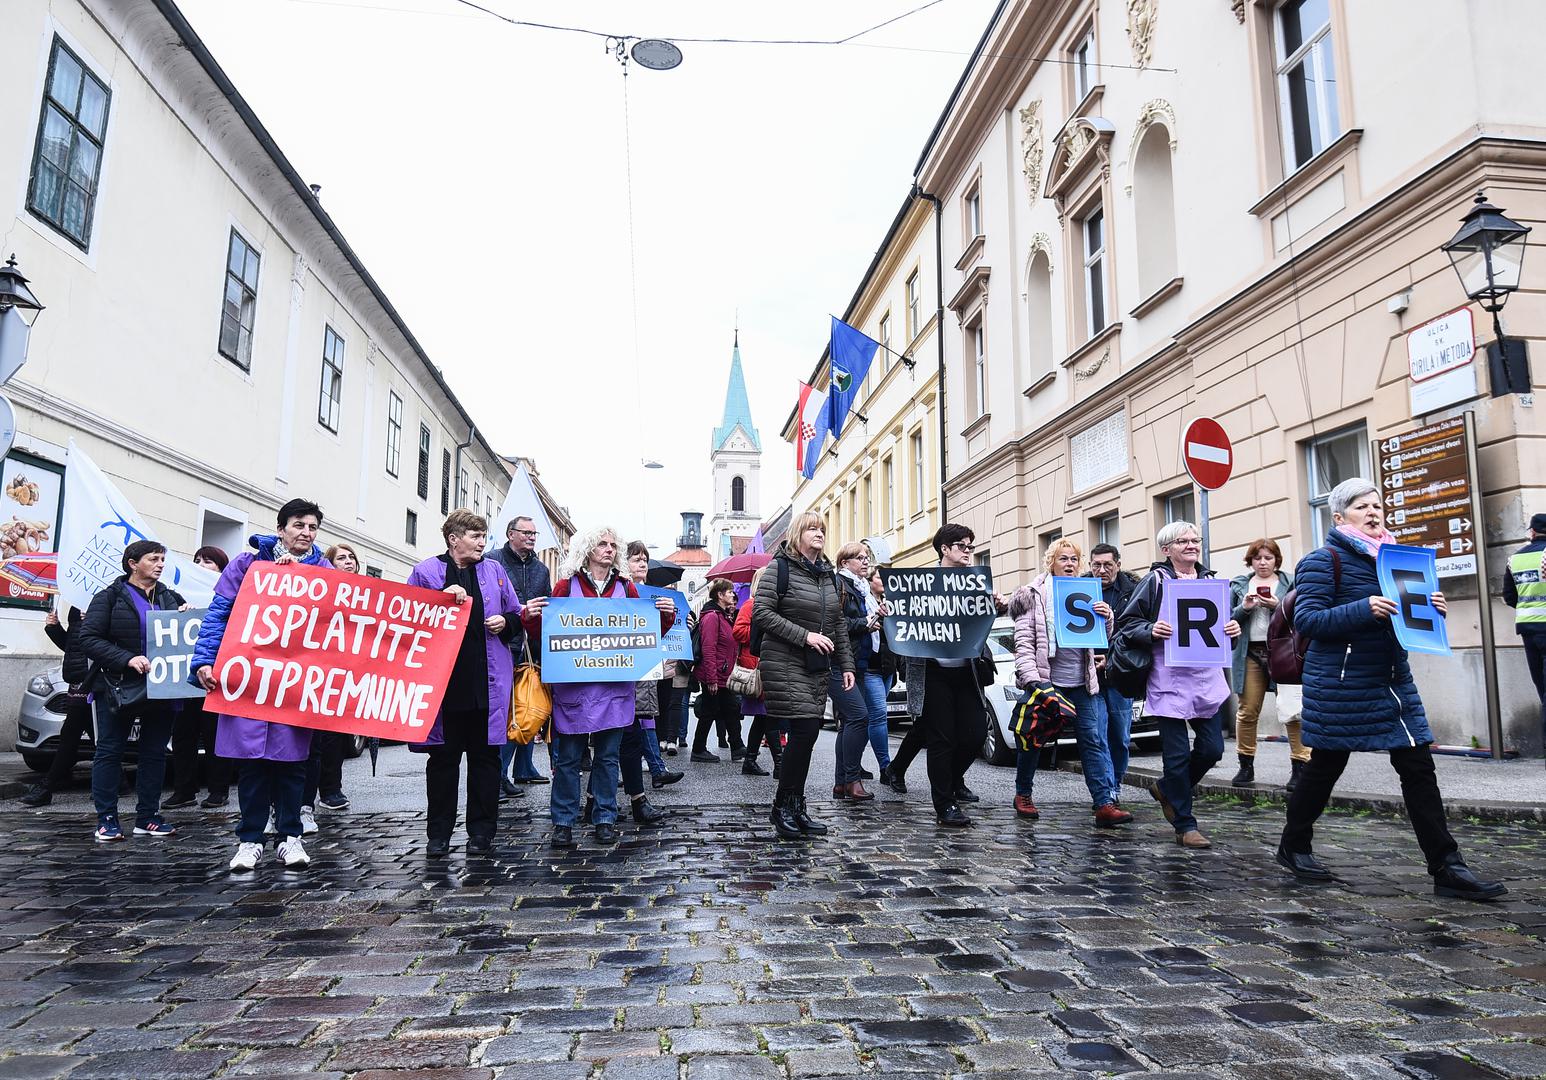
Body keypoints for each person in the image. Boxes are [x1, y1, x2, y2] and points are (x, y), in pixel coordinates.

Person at [1276, 478, 1506, 900]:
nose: (1373, 512)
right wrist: (1363, 609)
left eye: (1377, 505)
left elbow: (1407, 622)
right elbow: (1308, 621)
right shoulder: (1322, 561)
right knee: (1325, 766)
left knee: (1418, 767)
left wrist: (1431, 610)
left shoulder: (1397, 560)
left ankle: (1447, 866)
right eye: (1362, 507)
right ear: (1340, 516)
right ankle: (1294, 845)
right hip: (1342, 683)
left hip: (1393, 681)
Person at [192, 501, 331, 870]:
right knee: (251, 764)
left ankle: (290, 837)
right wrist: (204, 660)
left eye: (312, 527)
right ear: (281, 528)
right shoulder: (246, 564)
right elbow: (218, 614)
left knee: (292, 764)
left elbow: (344, 621)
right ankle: (250, 839)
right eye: (298, 525)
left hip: (296, 683)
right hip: (250, 679)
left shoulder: (325, 570)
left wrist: (301, 579)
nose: (305, 532)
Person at [521, 526, 674, 848]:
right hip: (574, 689)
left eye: (611, 545)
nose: (608, 549)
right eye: (601, 544)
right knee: (568, 760)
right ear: (587, 550)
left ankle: (604, 817)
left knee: (607, 758)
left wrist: (665, 618)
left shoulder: (626, 588)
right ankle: (562, 821)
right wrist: (531, 617)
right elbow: (544, 632)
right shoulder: (566, 586)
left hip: (614, 688)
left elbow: (645, 635)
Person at [1115, 521, 1240, 849]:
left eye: (1194, 540)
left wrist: (1232, 633)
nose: (1191, 545)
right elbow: (1128, 625)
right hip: (1169, 680)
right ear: (1166, 549)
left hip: (1207, 680)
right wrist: (1151, 629)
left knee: (1213, 748)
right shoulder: (1155, 581)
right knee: (1177, 754)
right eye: (1182, 541)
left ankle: (1169, 788)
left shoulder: (1211, 582)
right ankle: (1185, 825)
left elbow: (1219, 633)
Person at [406, 510, 522, 857]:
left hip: (487, 685)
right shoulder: (426, 571)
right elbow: (409, 618)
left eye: (484, 536)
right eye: (475, 536)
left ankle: (482, 833)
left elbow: (516, 613)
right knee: (442, 763)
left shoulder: (495, 571)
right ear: (454, 539)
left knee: (486, 762)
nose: (482, 542)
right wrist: (440, 596)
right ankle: (438, 834)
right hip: (445, 688)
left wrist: (507, 622)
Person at [1008, 538, 1129, 826]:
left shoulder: (1086, 592)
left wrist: (1107, 618)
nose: (1070, 564)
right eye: (1063, 559)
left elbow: (1099, 639)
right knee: (1033, 738)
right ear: (1051, 563)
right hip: (1047, 681)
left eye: (1074, 559)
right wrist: (1032, 681)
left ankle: (1103, 803)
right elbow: (1023, 643)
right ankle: (1023, 793)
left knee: (1093, 740)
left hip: (1083, 682)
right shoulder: (1034, 595)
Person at [77, 541, 189, 842]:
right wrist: (126, 659)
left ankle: (148, 818)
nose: (160, 564)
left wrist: (184, 617)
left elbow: (182, 637)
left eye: (163, 559)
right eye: (153, 559)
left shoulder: (169, 597)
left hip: (162, 686)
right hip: (117, 685)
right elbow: (88, 638)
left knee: (154, 753)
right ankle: (107, 819)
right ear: (132, 563)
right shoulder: (109, 597)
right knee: (110, 751)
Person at [753, 513, 855, 839]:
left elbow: (838, 625)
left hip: (815, 665)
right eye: (812, 528)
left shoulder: (829, 576)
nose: (819, 533)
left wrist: (847, 665)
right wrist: (806, 636)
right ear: (798, 534)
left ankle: (795, 805)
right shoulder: (778, 569)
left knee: (807, 735)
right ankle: (782, 806)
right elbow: (762, 613)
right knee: (806, 728)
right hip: (784, 660)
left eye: (823, 529)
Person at [894, 523, 1002, 828]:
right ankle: (944, 804)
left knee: (976, 733)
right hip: (933, 672)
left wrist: (994, 606)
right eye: (963, 546)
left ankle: (953, 781)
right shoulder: (921, 583)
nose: (968, 552)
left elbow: (979, 627)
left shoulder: (977, 583)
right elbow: (905, 624)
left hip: (967, 672)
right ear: (945, 549)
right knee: (942, 738)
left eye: (970, 547)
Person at [1228, 538, 1305, 788]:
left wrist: (1279, 606)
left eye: (1268, 558)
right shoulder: (1239, 585)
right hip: (1249, 652)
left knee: (1292, 709)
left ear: (1276, 561)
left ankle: (1300, 765)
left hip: (1283, 652)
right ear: (1250, 561)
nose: (1263, 562)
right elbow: (1228, 619)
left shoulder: (1290, 583)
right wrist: (1245, 608)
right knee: (1248, 710)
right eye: (1258, 558)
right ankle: (1245, 766)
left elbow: (1302, 616)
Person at [291, 542, 357, 833]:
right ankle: (303, 800)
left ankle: (331, 789)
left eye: (351, 557)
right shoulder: (317, 588)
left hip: (344, 674)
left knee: (334, 737)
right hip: (315, 672)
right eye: (341, 558)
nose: (348, 561)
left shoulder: (367, 595)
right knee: (313, 740)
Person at [164, 546, 233, 811]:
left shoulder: (230, 594)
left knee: (215, 735)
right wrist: (180, 615)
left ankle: (218, 790)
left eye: (208, 561)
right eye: (197, 560)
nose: (201, 565)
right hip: (185, 679)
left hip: (216, 677)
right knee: (183, 735)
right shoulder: (180, 595)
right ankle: (184, 789)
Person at [496, 515, 553, 792]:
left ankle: (524, 767)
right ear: (510, 534)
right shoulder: (494, 561)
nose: (531, 537)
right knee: (509, 711)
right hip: (502, 643)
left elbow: (549, 606)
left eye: (534, 533)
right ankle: (499, 773)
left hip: (532, 647)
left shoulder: (541, 570)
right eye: (526, 532)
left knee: (530, 703)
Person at [19, 605, 89, 807]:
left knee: (70, 734)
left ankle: (46, 787)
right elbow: (72, 645)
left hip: (95, 677)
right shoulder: (78, 603)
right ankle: (118, 782)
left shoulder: (108, 599)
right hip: (77, 678)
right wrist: (54, 628)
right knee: (88, 734)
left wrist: (95, 621)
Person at [833, 542, 885, 800]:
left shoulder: (862, 588)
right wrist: (865, 623)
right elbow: (837, 623)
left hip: (860, 663)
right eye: (859, 558)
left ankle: (841, 782)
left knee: (848, 723)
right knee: (859, 717)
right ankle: (852, 780)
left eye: (867, 557)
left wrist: (877, 618)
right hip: (842, 663)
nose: (865, 562)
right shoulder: (839, 585)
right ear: (845, 563)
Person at [1088, 543, 1137, 801]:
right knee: (1097, 734)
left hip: (1119, 673)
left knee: (1119, 734)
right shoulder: (1078, 589)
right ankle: (1106, 791)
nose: (1102, 570)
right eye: (1096, 565)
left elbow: (1135, 630)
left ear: (1118, 564)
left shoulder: (1132, 591)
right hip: (1089, 672)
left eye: (1108, 565)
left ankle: (1115, 782)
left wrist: (1112, 658)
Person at [1503, 512, 1546, 755]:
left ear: (1532, 532)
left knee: (1541, 687)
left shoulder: (1515, 559)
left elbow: (1509, 597)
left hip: (1528, 630)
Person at [733, 566, 781, 778]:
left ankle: (750, 760)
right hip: (756, 666)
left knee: (764, 718)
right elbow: (739, 631)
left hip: (770, 664)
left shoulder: (773, 607)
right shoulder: (750, 605)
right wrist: (763, 629)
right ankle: (779, 764)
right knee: (767, 716)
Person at [691, 579, 744, 763]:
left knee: (730, 708)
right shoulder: (712, 617)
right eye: (729, 592)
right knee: (709, 711)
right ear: (720, 595)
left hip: (723, 674)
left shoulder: (722, 615)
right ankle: (698, 749)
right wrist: (712, 679)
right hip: (714, 675)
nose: (732, 594)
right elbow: (708, 648)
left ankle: (737, 747)